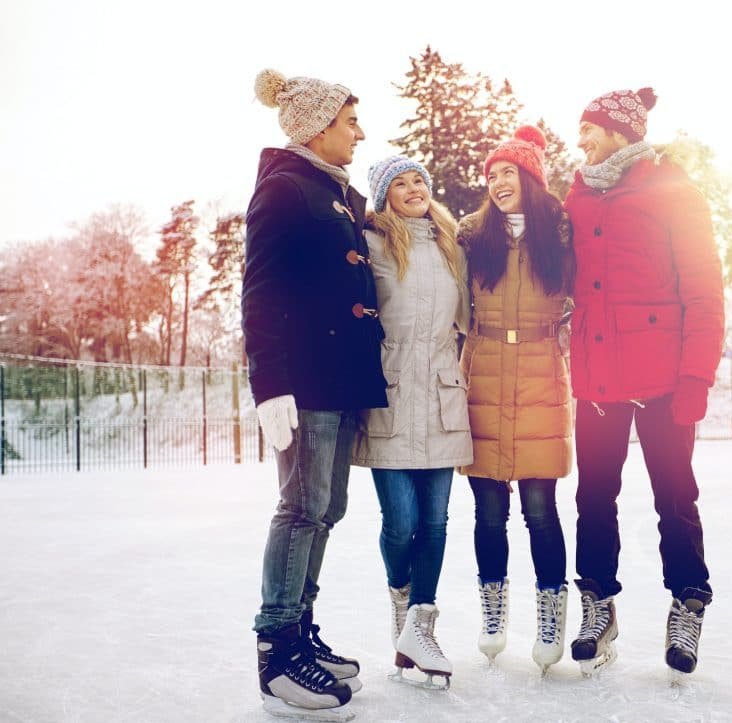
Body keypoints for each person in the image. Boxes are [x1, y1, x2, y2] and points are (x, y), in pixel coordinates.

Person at [564, 88, 725, 682]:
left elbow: (705, 289)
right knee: (592, 499)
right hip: (597, 379)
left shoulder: (674, 192)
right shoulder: (576, 198)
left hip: (663, 380)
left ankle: (688, 602)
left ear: (619, 131)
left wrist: (696, 378)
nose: (579, 140)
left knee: (675, 498)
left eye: (589, 129)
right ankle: (597, 606)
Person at [242, 68, 386, 717]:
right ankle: (276, 652)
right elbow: (261, 290)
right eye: (351, 121)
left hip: (339, 379)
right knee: (300, 506)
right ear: (318, 126)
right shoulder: (284, 190)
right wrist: (269, 384)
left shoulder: (336, 194)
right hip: (302, 382)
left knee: (326, 509)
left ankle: (301, 630)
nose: (360, 133)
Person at [350, 155, 472, 690]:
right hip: (392, 394)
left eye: (418, 179)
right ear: (384, 198)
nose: (412, 188)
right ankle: (401, 599)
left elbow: (474, 317)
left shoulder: (454, 247)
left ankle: (422, 622)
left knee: (438, 520)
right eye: (399, 183)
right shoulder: (372, 245)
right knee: (401, 521)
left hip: (444, 394)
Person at [457, 126, 575, 674]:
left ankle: (551, 614)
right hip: (481, 377)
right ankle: (493, 609)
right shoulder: (472, 236)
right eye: (492, 175)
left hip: (538, 379)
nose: (499, 182)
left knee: (539, 509)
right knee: (487, 511)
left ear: (530, 177)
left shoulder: (561, 236)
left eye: (509, 172)